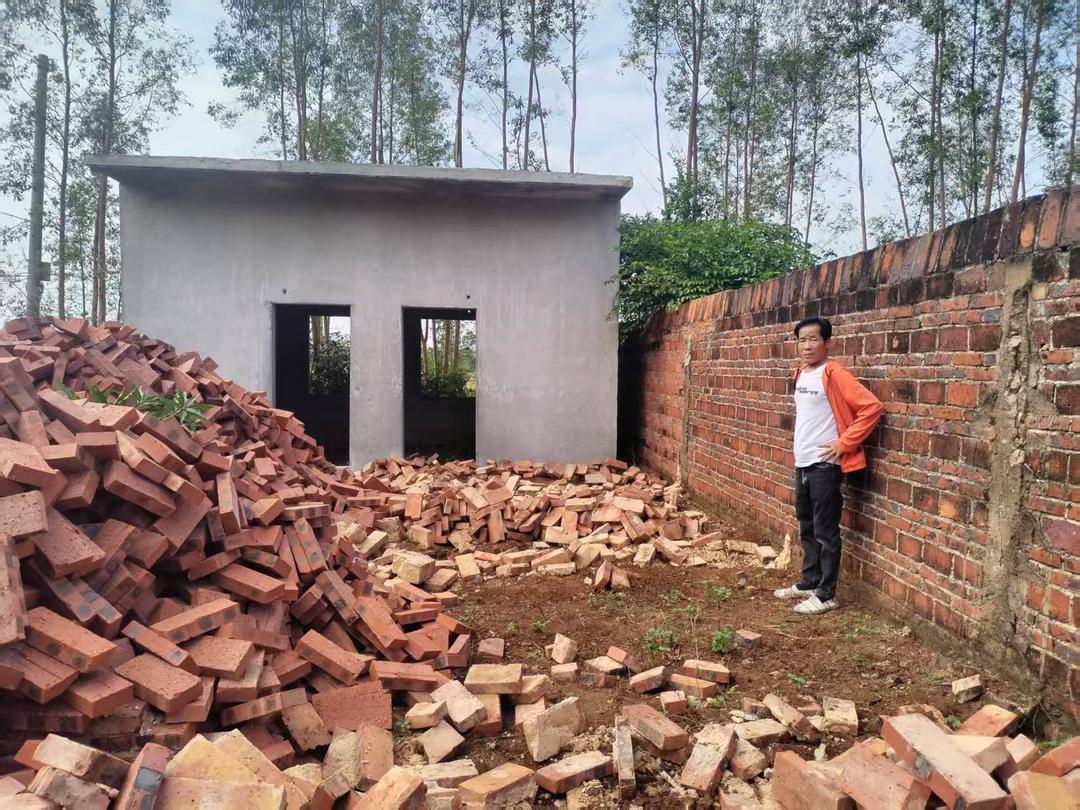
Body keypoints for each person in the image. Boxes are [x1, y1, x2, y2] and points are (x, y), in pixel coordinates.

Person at [774, 316, 882, 615]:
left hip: (825, 466)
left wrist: (845, 443)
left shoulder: (835, 374)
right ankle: (810, 582)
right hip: (803, 462)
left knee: (825, 531)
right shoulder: (800, 373)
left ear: (827, 343)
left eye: (813, 339)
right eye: (802, 340)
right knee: (807, 525)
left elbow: (871, 407)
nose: (807, 346)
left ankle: (826, 594)